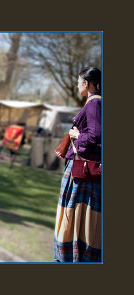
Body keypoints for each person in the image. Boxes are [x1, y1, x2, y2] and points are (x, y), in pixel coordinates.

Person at [53, 67, 102, 262]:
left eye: (79, 81)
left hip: (83, 170)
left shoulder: (94, 104)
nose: (76, 85)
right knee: (78, 214)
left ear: (87, 84)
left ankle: (73, 257)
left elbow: (96, 135)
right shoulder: (94, 103)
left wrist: (77, 136)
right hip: (84, 169)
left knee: (76, 214)